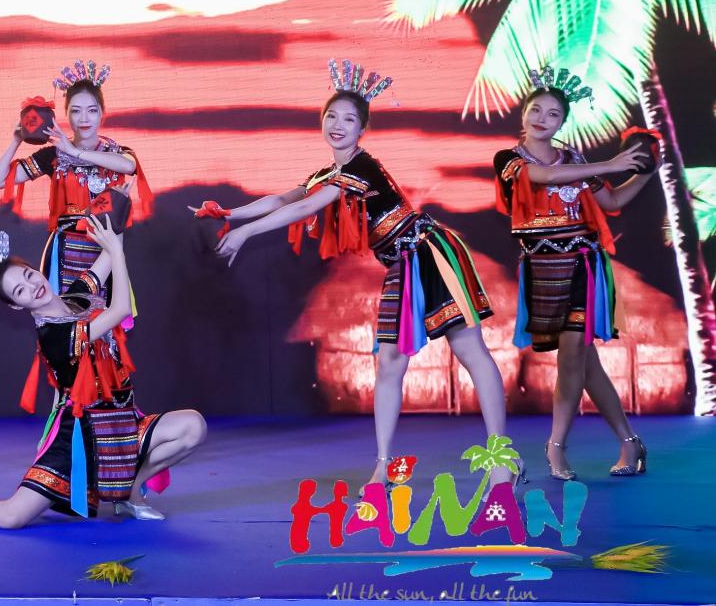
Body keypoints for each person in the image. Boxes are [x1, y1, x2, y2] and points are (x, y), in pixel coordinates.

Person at [198, 60, 520, 490]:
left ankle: (502, 458)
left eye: (348, 119)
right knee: (389, 364)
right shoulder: (327, 174)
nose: (338, 125)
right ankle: (383, 465)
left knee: (470, 351)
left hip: (429, 253)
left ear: (362, 129)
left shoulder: (362, 167)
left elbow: (304, 208)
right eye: (331, 116)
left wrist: (245, 233)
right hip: (400, 265)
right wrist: (228, 214)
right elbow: (282, 199)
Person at [0, 218, 205, 527]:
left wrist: (117, 212)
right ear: (16, 305)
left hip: (121, 422)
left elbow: (107, 256)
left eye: (29, 275)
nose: (33, 287)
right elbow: (119, 308)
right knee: (10, 517)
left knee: (193, 426)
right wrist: (117, 251)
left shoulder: (76, 298)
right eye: (20, 291)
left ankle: (130, 493)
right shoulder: (54, 336)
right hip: (80, 436)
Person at [494, 66, 656, 480]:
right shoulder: (509, 160)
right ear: (523, 113)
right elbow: (545, 176)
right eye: (536, 110)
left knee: (571, 356)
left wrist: (644, 174)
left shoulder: (575, 159)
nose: (542, 119)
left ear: (562, 123)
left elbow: (612, 202)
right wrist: (611, 162)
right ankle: (630, 442)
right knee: (586, 364)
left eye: (553, 114)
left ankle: (556, 447)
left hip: (584, 267)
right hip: (543, 271)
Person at [0, 60, 152, 302]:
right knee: (65, 316)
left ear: (102, 113)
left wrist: (75, 152)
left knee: (108, 316)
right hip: (65, 251)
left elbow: (129, 166)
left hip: (106, 249)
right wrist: (16, 140)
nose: (84, 118)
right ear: (66, 114)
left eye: (92, 110)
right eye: (76, 111)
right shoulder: (53, 155)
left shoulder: (117, 153)